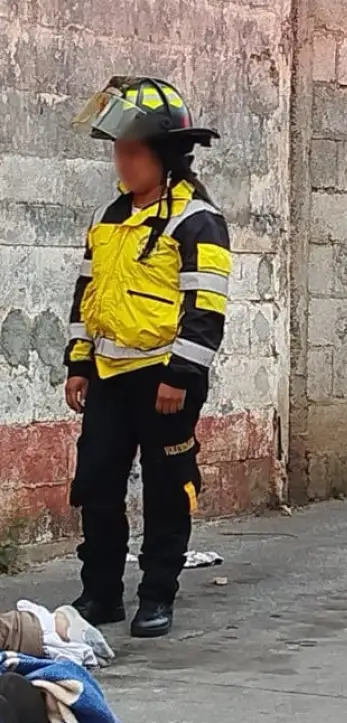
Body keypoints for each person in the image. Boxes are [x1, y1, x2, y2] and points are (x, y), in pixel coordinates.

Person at [63, 77, 230, 638]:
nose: (123, 162)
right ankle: (101, 593)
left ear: (163, 156)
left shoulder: (196, 220)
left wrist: (180, 374)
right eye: (118, 151)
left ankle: (157, 594)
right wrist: (79, 362)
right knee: (97, 483)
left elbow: (206, 307)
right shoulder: (109, 218)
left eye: (133, 152)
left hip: (165, 378)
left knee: (165, 488)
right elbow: (88, 295)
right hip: (111, 376)